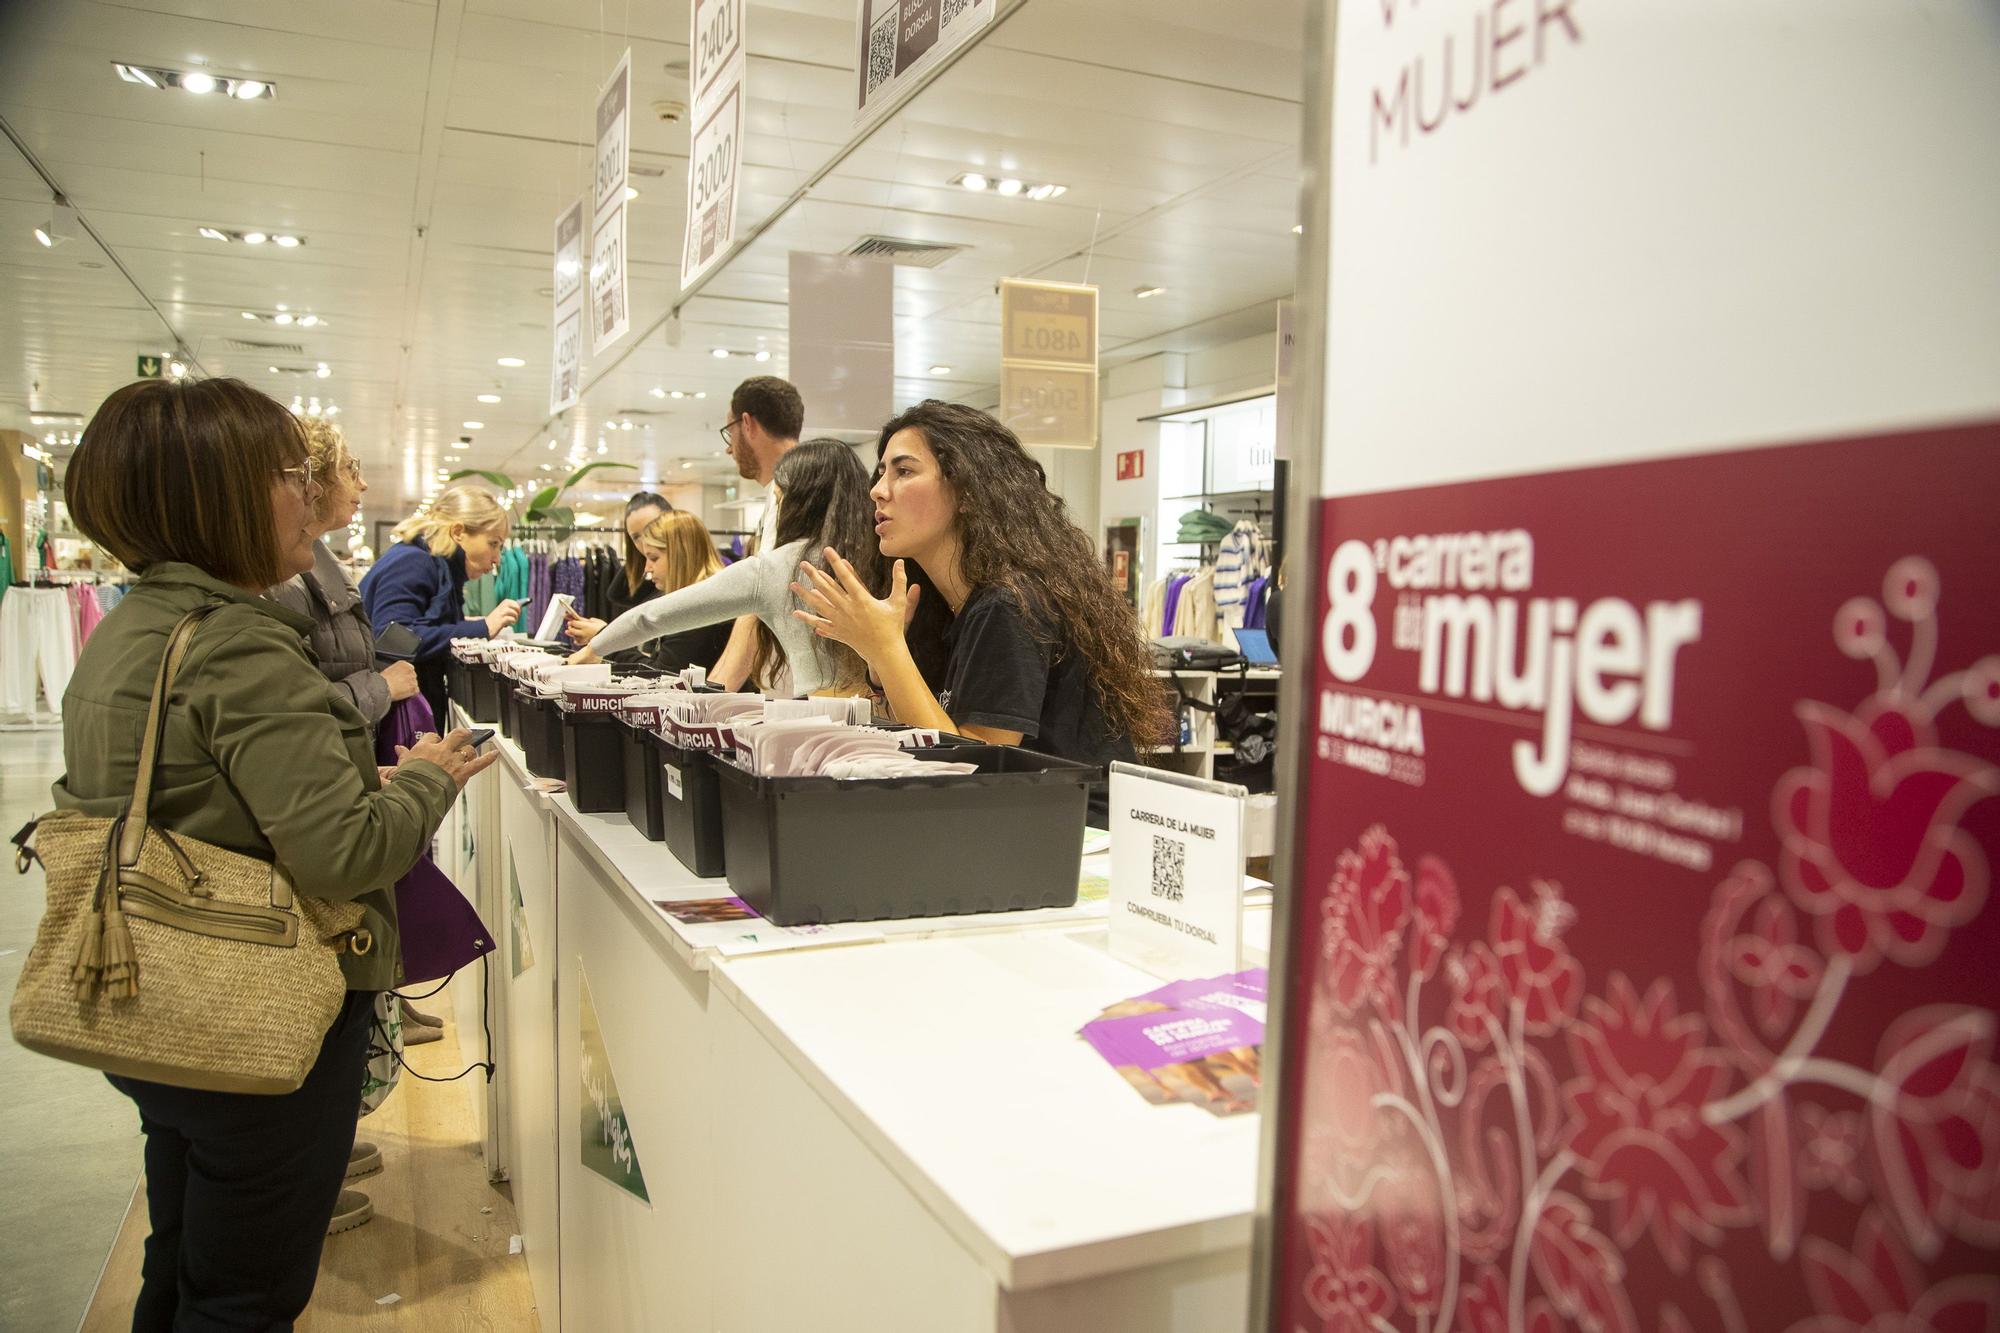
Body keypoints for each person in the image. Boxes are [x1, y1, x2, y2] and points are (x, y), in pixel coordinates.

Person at [54, 376, 498, 1330]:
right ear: (218, 494)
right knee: (245, 1293)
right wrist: (424, 777)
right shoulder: (240, 647)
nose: (313, 494)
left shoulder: (131, 630)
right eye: (289, 475)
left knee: (183, 1255)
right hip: (250, 1017)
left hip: (155, 996)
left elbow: (192, 803)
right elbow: (343, 856)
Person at [792, 400, 1167, 821]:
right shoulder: (947, 609)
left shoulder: (1011, 604)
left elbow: (973, 770)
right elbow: (930, 738)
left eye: (904, 471)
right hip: (1018, 828)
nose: (878, 490)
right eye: (881, 472)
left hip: (1080, 843)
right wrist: (881, 669)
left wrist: (886, 650)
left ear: (967, 493)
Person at [568, 439, 880, 695]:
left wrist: (594, 648)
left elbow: (653, 617)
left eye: (777, 499)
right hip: (886, 724)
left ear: (790, 501)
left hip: (819, 724)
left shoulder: (774, 569)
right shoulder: (877, 558)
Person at [359, 485, 519, 722]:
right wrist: (480, 629)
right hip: (392, 720)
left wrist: (464, 624)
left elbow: (416, 624)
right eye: (493, 544)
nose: (496, 559)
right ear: (458, 532)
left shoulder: (430, 564)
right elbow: (393, 638)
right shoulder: (414, 562)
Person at [712, 376, 802, 687]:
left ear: (747, 424)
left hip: (795, 697)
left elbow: (756, 606)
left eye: (730, 433)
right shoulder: (789, 491)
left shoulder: (789, 492)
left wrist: (711, 697)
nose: (729, 449)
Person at [563, 509, 733, 672]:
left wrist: (606, 640)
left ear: (679, 556)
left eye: (653, 558)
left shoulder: (699, 606)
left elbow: (663, 676)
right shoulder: (699, 599)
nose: (647, 568)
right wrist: (607, 637)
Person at [605, 490, 672, 621]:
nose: (645, 541)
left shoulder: (696, 580)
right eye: (636, 537)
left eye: (651, 529)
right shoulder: (655, 583)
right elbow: (615, 594)